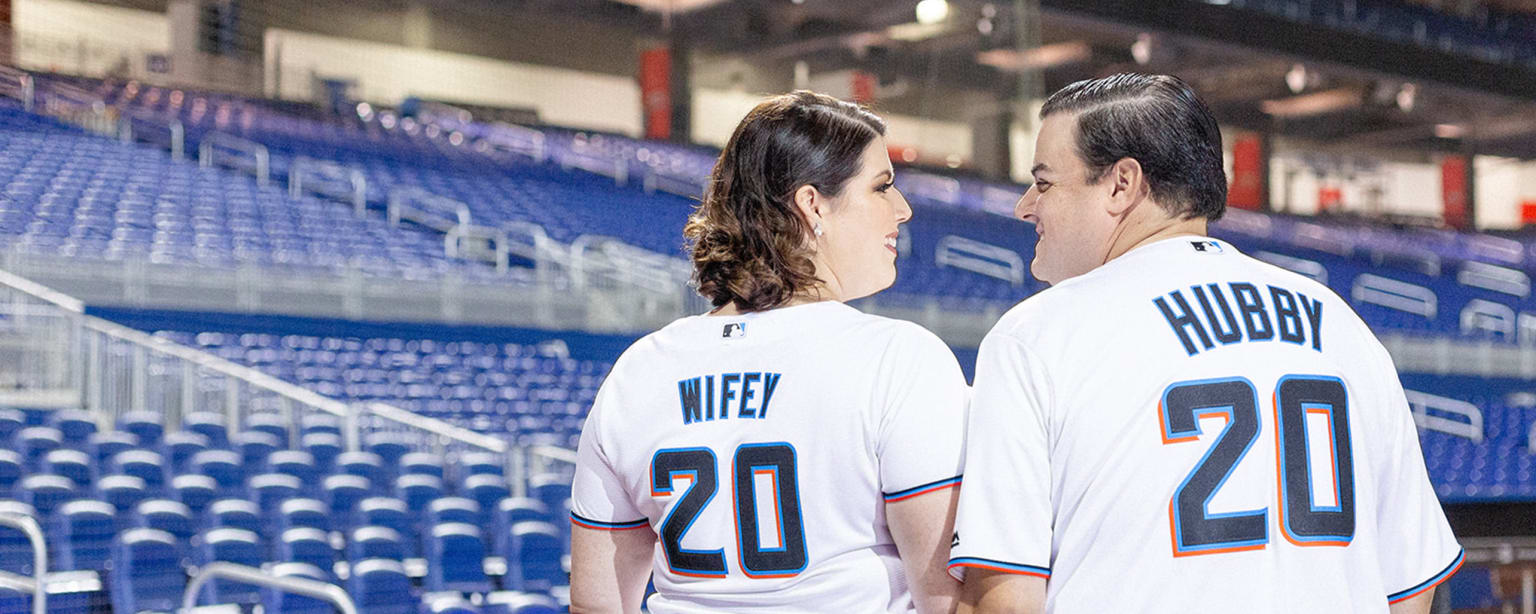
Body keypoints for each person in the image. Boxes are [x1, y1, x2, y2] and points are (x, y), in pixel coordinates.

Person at [950, 73, 1461, 614]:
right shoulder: (1341, 325)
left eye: (1044, 182)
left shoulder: (1038, 335)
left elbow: (1005, 601)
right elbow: (1410, 587)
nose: (1025, 205)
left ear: (1122, 184)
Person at [569, 90, 968, 614]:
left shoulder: (639, 369)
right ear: (813, 204)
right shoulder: (899, 359)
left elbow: (596, 604)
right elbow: (950, 602)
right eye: (882, 186)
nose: (903, 209)